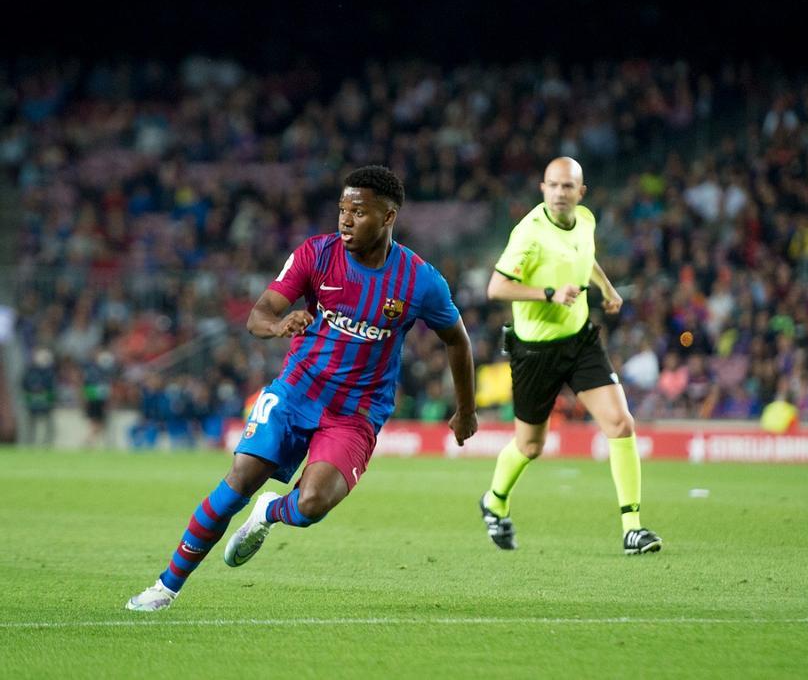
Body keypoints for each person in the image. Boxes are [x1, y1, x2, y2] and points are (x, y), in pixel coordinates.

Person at [127, 166, 478, 611]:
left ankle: (269, 513)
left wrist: (465, 410)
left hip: (356, 413)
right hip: (297, 391)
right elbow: (259, 314)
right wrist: (278, 325)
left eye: (359, 212)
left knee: (311, 504)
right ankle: (165, 587)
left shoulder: (419, 280)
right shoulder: (315, 254)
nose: (346, 220)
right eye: (342, 209)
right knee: (239, 480)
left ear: (388, 217)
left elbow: (458, 341)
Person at [479, 156, 662, 555]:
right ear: (542, 189)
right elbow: (496, 288)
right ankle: (494, 500)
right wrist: (549, 293)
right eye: (553, 185)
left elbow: (583, 256)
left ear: (581, 192)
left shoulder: (587, 220)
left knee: (620, 423)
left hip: (580, 340)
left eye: (568, 187)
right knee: (530, 447)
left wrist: (607, 288)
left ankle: (632, 527)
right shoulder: (528, 233)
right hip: (534, 351)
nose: (560, 193)